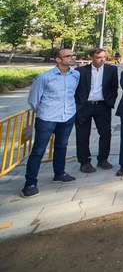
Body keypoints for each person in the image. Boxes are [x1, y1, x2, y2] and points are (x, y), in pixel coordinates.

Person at [20, 48, 80, 198]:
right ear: (58, 60)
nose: (72, 58)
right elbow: (33, 100)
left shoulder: (75, 75)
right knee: (38, 151)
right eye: (68, 56)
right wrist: (44, 112)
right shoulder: (44, 77)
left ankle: (59, 174)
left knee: (61, 146)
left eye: (73, 55)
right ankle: (30, 183)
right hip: (47, 118)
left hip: (67, 116)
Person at [74, 48, 119, 173]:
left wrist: (110, 101)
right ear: (92, 58)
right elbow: (75, 90)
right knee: (82, 135)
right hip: (84, 106)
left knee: (105, 133)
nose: (102, 59)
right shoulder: (80, 71)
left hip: (102, 105)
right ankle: (85, 162)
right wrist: (78, 106)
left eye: (104, 57)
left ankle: (103, 159)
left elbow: (114, 87)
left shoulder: (111, 70)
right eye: (99, 57)